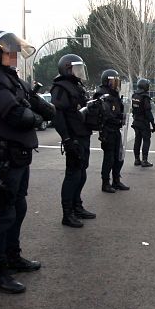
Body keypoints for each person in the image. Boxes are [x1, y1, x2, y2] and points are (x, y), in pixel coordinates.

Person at [0, 31, 54, 294]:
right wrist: (37, 118)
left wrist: (51, 112)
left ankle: (12, 256)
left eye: (15, 52)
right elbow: (17, 114)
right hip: (4, 157)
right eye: (9, 52)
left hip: (19, 155)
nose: (14, 56)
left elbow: (36, 103)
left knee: (18, 206)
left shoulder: (10, 79)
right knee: (2, 213)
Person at [51, 54, 97, 227]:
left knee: (81, 173)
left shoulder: (77, 86)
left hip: (83, 134)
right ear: (67, 69)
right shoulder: (60, 88)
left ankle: (77, 206)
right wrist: (67, 139)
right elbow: (58, 116)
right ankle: (67, 213)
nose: (79, 72)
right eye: (76, 69)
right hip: (73, 137)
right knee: (73, 175)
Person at [94, 69, 129, 193]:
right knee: (109, 158)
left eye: (117, 81)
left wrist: (123, 115)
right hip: (107, 130)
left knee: (119, 156)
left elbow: (118, 110)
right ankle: (105, 183)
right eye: (114, 81)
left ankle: (116, 180)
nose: (116, 84)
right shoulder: (102, 94)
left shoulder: (114, 94)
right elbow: (106, 114)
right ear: (107, 81)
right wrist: (118, 120)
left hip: (116, 129)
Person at [131, 77, 155, 167]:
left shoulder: (134, 96)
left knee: (137, 140)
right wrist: (153, 123)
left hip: (136, 121)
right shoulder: (145, 97)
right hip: (144, 122)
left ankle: (137, 159)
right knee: (146, 140)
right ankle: (144, 160)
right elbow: (148, 111)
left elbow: (133, 109)